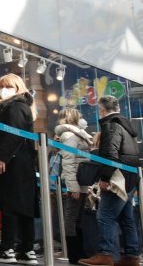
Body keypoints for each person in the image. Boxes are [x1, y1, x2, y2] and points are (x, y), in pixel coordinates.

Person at [80, 95, 142, 266]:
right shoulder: (127, 127)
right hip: (130, 177)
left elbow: (110, 154)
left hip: (117, 177)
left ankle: (105, 254)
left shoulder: (111, 125)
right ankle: (132, 256)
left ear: (101, 109)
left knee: (105, 215)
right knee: (127, 219)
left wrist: (105, 178)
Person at [0, 74, 39, 265]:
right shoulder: (22, 106)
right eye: (1, 86)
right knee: (23, 207)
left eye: (8, 86)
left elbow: (14, 134)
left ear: (18, 88)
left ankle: (7, 248)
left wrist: (1, 157)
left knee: (11, 205)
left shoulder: (15, 107)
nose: (3, 90)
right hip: (21, 162)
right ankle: (26, 249)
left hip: (13, 162)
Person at [56, 108, 94, 264]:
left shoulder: (77, 134)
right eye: (80, 116)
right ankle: (74, 253)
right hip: (76, 182)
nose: (82, 118)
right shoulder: (70, 135)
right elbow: (68, 161)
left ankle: (79, 252)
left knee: (76, 217)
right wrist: (73, 187)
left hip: (81, 181)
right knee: (71, 217)